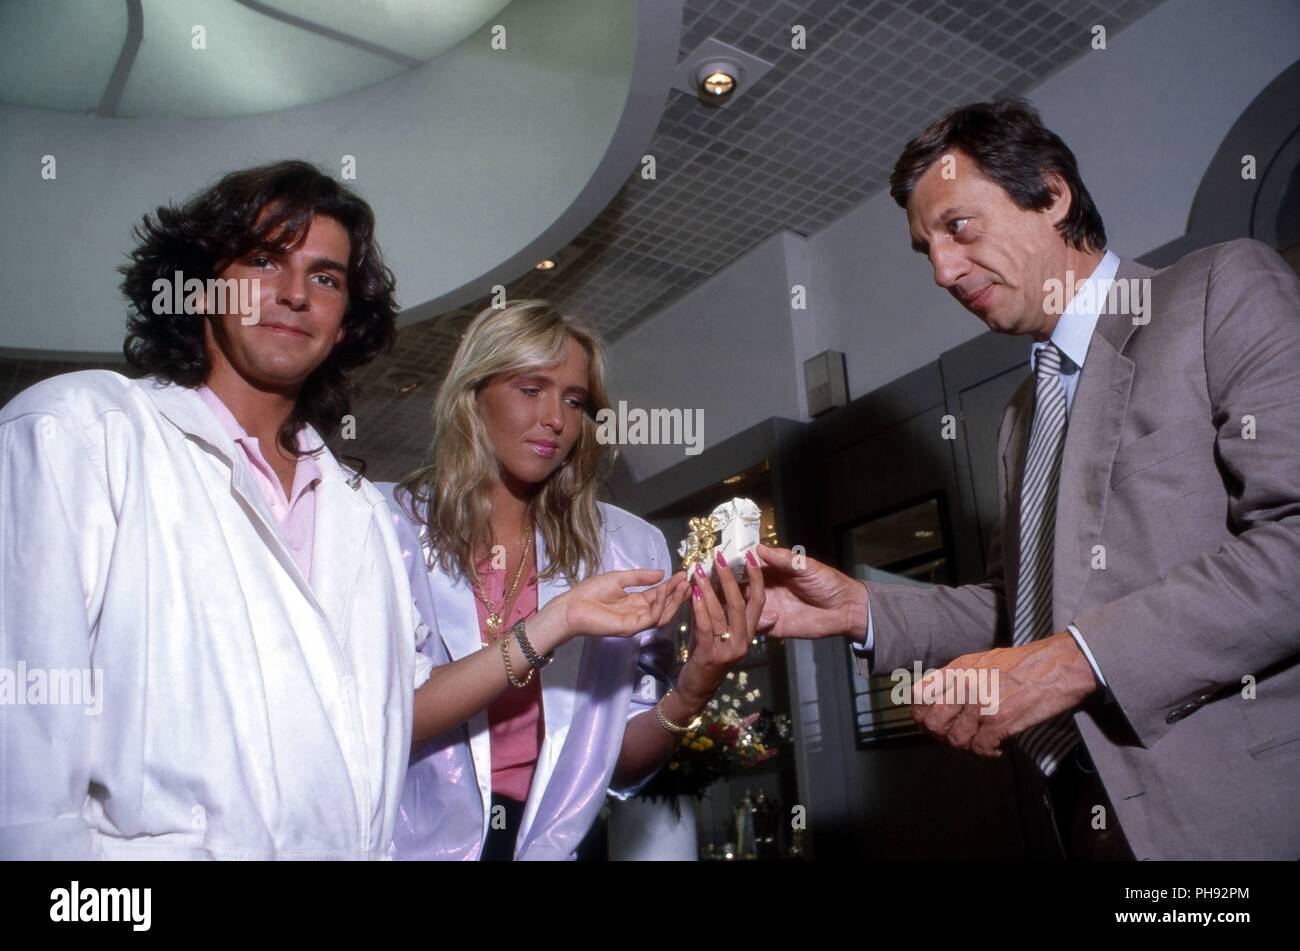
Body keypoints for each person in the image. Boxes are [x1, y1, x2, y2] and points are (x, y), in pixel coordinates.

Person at [0, 163, 671, 860]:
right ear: (199, 280)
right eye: (263, 260)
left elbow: (393, 718)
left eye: (325, 278)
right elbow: (23, 767)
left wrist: (560, 619)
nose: (293, 294)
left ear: (347, 315)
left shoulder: (362, 517)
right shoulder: (81, 434)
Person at [756, 99, 1300, 860]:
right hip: (1082, 816)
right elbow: (1023, 613)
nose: (944, 271)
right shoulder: (1022, 413)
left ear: (1051, 194)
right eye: (927, 251)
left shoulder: (1222, 291)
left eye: (959, 227)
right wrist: (860, 609)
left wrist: (1072, 662)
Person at [382, 299, 763, 860]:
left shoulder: (626, 548)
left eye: (574, 400)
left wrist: (697, 682)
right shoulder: (389, 526)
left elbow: (619, 768)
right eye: (530, 389)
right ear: (473, 394)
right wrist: (552, 624)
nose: (556, 420)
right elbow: (388, 721)